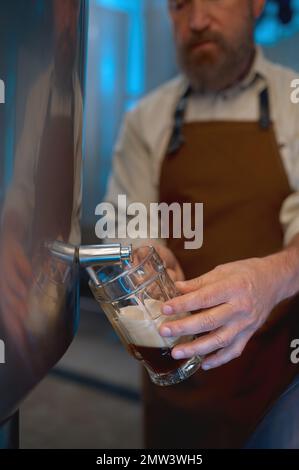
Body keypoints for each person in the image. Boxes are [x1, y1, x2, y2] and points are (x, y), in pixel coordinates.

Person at [105, 0, 299, 448]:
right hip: (176, 380)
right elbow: (127, 221)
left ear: (256, 5)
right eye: (179, 6)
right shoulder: (145, 119)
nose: (195, 21)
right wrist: (142, 259)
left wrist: (273, 276)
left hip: (277, 387)